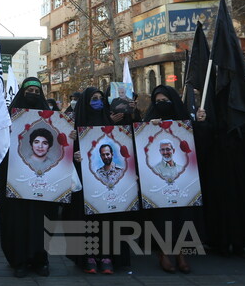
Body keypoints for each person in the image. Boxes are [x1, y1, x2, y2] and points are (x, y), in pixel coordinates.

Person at [67, 85, 133, 275]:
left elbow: (122, 147)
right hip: (84, 179)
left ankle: (107, 255)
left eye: (100, 98)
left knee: (107, 217)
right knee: (87, 219)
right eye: (93, 99)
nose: (97, 102)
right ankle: (88, 256)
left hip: (107, 182)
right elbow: (62, 151)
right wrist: (74, 152)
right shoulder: (73, 125)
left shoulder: (111, 126)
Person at [142, 85, 206, 275]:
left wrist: (201, 124)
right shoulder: (149, 122)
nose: (162, 105)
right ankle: (163, 252)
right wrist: (147, 127)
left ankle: (180, 253)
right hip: (157, 181)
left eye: (166, 101)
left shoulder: (185, 123)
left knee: (182, 216)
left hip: (182, 180)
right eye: (158, 102)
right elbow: (140, 143)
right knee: (162, 218)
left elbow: (200, 144)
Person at [0, 77, 56, 278]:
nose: (32, 94)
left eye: (36, 91)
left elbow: (58, 142)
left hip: (42, 183)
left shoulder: (51, 118)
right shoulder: (9, 118)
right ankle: (19, 261)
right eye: (28, 90)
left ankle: (41, 260)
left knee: (40, 222)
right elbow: (0, 145)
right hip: (16, 181)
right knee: (18, 221)